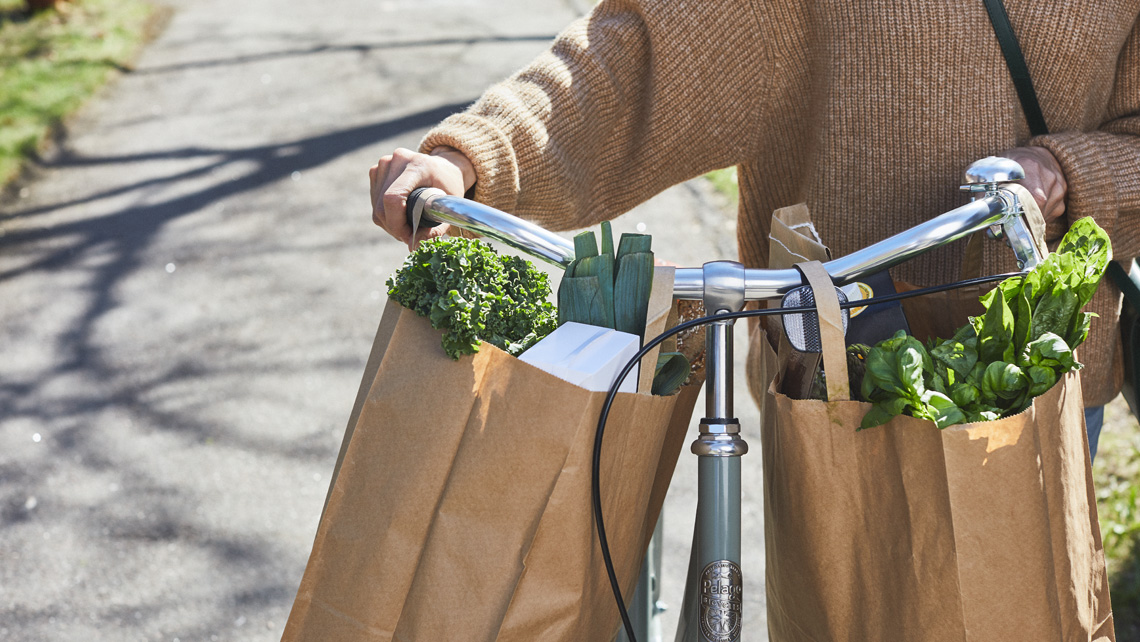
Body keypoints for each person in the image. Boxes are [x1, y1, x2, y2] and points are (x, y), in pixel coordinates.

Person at [370, 0, 1140, 460]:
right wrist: (474, 156)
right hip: (835, 370)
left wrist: (1069, 175)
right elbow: (639, 58)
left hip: (1039, 374)